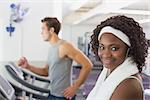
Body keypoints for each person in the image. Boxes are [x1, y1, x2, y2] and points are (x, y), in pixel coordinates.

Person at [17, 17, 93, 100]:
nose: (41, 33)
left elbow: (87, 65)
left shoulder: (64, 46)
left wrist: (75, 87)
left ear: (51, 30)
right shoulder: (52, 48)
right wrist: (28, 66)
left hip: (63, 97)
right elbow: (46, 72)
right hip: (52, 94)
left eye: (43, 29)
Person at [86, 15, 148, 100]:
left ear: (129, 50)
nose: (106, 54)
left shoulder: (128, 85)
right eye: (102, 47)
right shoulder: (109, 72)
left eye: (114, 48)